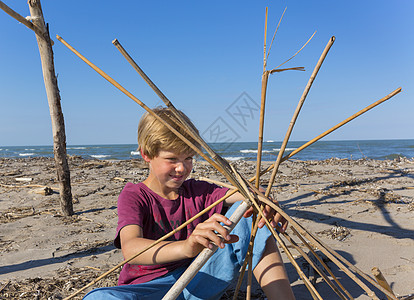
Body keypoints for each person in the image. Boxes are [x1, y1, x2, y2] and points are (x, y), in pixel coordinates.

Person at [84, 107, 295, 300]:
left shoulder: (197, 190)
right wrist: (186, 247)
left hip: (199, 278)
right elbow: (131, 248)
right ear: (146, 154)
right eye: (172, 159)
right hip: (149, 290)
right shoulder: (135, 195)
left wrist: (263, 202)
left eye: (188, 158)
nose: (182, 168)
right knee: (98, 298)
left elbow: (242, 194)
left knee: (251, 218)